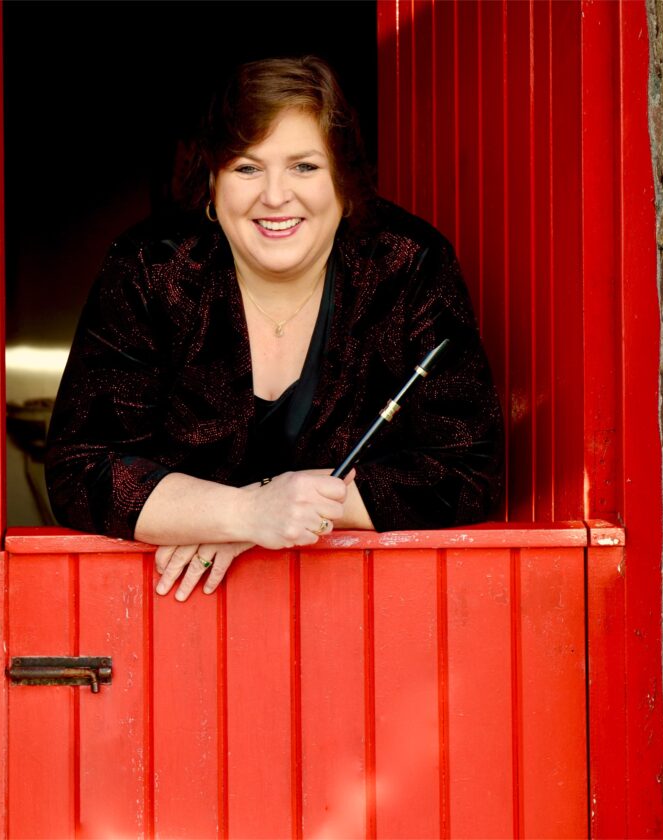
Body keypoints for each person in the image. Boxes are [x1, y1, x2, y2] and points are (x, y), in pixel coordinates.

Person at [45, 56, 504, 603]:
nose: (275, 195)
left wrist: (295, 509)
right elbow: (79, 470)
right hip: (172, 609)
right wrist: (245, 512)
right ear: (211, 183)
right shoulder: (152, 270)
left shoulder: (408, 266)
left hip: (371, 609)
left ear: (346, 183)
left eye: (304, 166)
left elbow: (469, 470)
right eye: (247, 168)